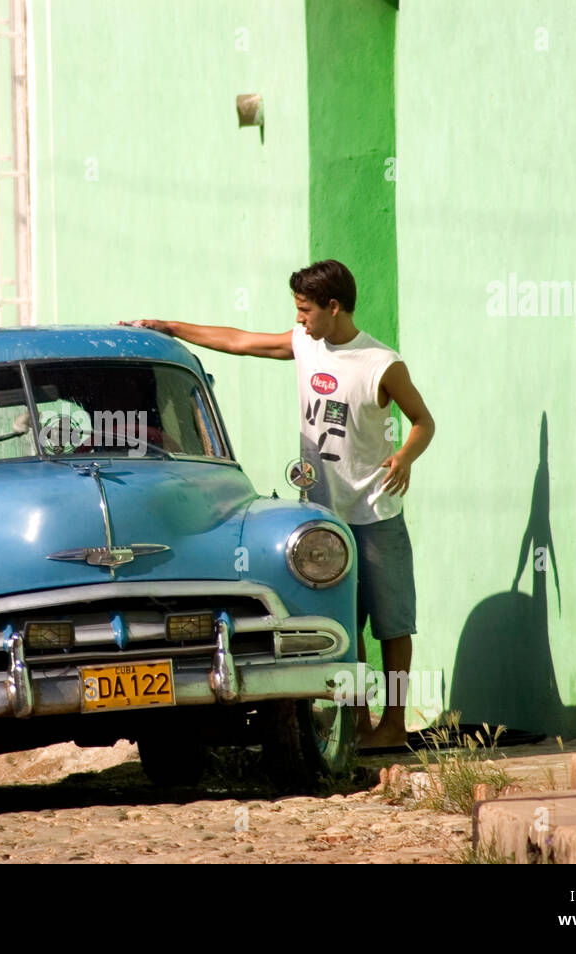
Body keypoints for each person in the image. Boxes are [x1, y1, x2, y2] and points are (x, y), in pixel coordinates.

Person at [127, 260, 435, 750]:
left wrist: (405, 455)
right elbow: (239, 340)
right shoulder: (305, 344)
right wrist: (169, 327)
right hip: (323, 518)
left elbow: (423, 421)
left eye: (306, 310)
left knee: (393, 625)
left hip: (374, 513)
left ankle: (393, 724)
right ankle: (356, 723)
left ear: (334, 307)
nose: (300, 320)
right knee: (344, 625)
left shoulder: (381, 363)